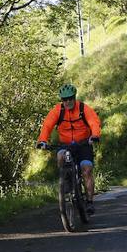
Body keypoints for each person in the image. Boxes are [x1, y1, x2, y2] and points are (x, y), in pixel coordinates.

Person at [37, 84, 103, 213]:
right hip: (66, 145)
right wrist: (42, 141)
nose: (68, 101)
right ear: (61, 100)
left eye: (70, 98)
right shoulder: (58, 111)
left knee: (87, 170)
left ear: (74, 97)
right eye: (64, 99)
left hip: (84, 144)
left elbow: (94, 122)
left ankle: (89, 202)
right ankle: (66, 180)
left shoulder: (84, 109)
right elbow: (47, 125)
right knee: (60, 156)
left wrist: (95, 135)